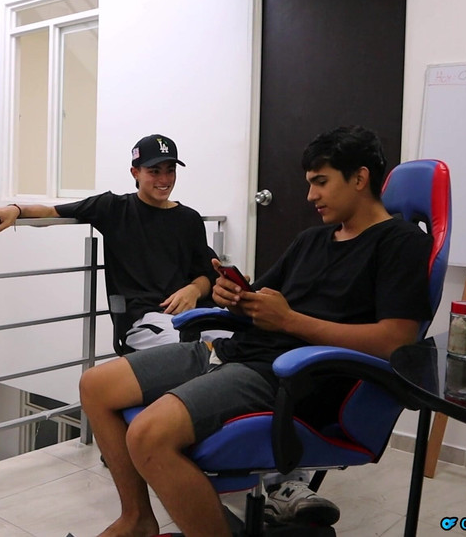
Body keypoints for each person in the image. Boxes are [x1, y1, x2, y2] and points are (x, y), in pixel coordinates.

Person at [78, 125, 432, 537]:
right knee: (95, 386)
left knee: (147, 434)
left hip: (288, 375)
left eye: (321, 182)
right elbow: (257, 298)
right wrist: (232, 296)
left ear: (359, 178)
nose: (311, 195)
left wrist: (289, 321)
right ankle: (137, 518)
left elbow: (395, 341)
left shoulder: (400, 243)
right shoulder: (311, 240)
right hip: (234, 350)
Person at [0, 134, 217, 350]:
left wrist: (194, 290)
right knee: (196, 351)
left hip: (193, 313)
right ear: (135, 173)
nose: (164, 179)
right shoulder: (113, 208)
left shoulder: (189, 219)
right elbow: (53, 212)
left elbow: (205, 273)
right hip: (145, 319)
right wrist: (16, 209)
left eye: (170, 170)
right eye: (154, 171)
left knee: (232, 342)